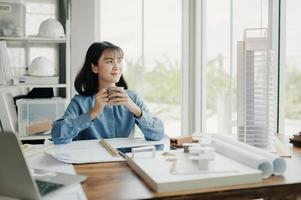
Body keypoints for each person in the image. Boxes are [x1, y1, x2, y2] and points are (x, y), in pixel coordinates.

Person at [51, 41, 165, 144]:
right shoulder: (80, 101)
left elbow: (158, 134)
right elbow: (57, 136)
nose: (116, 67)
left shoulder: (133, 98)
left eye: (119, 61)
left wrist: (136, 110)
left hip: (125, 163)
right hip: (91, 165)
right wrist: (92, 113)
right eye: (109, 61)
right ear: (94, 68)